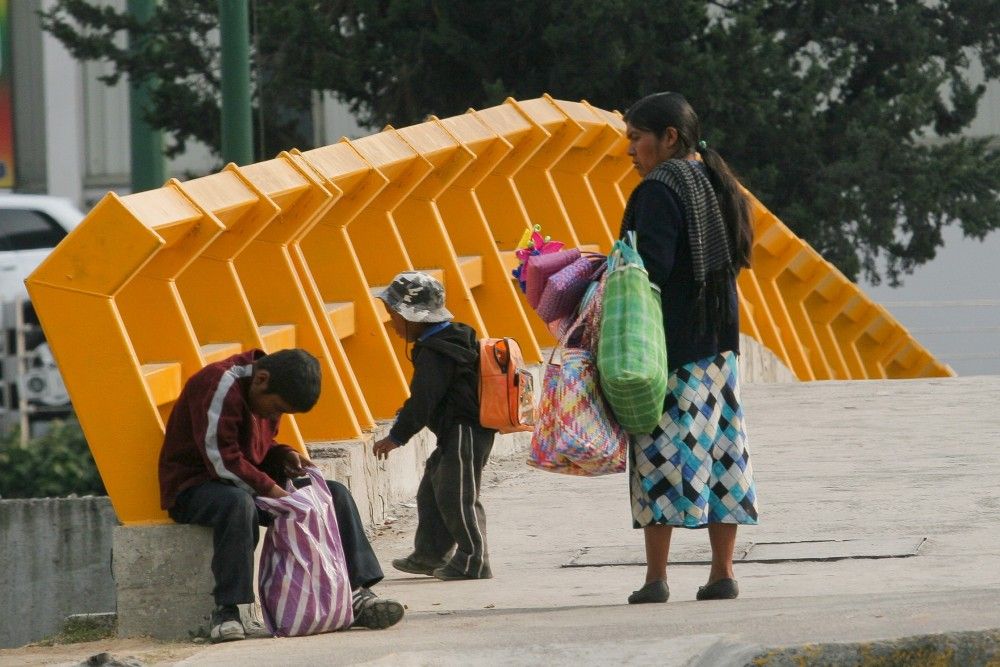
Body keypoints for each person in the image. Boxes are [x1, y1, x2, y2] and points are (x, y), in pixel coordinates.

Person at [158, 347, 404, 642]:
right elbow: (221, 459)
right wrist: (274, 491)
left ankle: (357, 591)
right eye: (276, 409)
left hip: (244, 480)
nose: (275, 415)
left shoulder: (262, 391)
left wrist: (284, 455)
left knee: (333, 494)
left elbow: (260, 446)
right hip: (196, 485)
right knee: (237, 505)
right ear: (261, 379)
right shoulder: (220, 384)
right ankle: (227, 610)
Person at [619, 92, 759, 604]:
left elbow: (648, 267)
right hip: (720, 343)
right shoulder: (715, 181)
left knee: (657, 455)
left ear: (669, 138)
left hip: (672, 345)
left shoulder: (660, 188)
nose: (631, 151)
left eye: (637, 139)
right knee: (722, 453)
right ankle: (722, 573)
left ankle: (656, 579)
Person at [371, 271, 496, 581]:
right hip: (454, 432)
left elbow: (424, 399)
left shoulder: (436, 352)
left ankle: (474, 561)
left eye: (394, 315)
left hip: (466, 432)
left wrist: (396, 437)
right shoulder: (443, 341)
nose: (393, 324)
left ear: (412, 316)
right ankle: (429, 555)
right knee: (432, 490)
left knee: (458, 495)